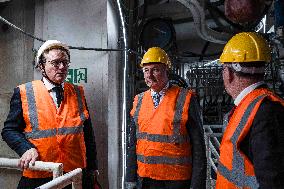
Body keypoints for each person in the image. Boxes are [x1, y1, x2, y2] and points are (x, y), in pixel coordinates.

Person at [1, 40, 98, 189]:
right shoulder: (24, 92)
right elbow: (9, 130)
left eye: (65, 63)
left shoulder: (78, 92)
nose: (62, 67)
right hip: (40, 172)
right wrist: (25, 148)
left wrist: (92, 168)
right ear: (42, 66)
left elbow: (87, 134)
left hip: (74, 174)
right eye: (55, 63)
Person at [125, 47, 207, 189]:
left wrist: (197, 185)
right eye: (146, 70)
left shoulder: (185, 98)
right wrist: (130, 178)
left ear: (166, 71)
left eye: (155, 69)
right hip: (145, 180)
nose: (149, 75)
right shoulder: (138, 100)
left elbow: (198, 147)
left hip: (177, 181)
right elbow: (133, 143)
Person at [216, 32, 284, 189]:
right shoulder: (250, 106)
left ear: (229, 73)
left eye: (223, 69)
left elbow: (274, 182)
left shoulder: (267, 113)